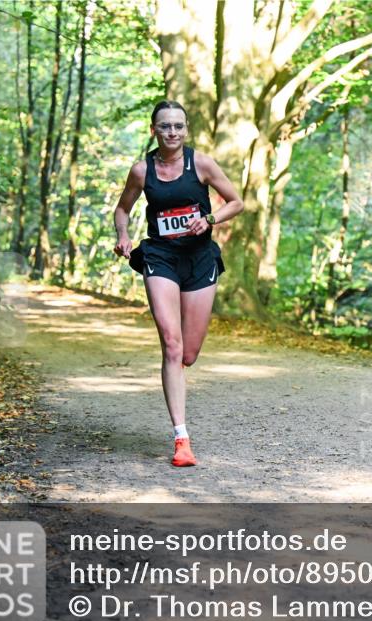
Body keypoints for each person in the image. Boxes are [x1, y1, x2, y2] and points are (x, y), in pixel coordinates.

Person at [112, 100, 244, 467]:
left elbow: (237, 202)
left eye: (178, 126)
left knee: (188, 354)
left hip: (199, 259)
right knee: (171, 344)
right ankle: (181, 439)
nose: (172, 132)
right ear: (153, 130)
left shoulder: (201, 164)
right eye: (165, 126)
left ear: (186, 129)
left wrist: (210, 219)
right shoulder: (142, 171)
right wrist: (123, 235)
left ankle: (180, 378)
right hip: (160, 257)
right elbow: (122, 208)